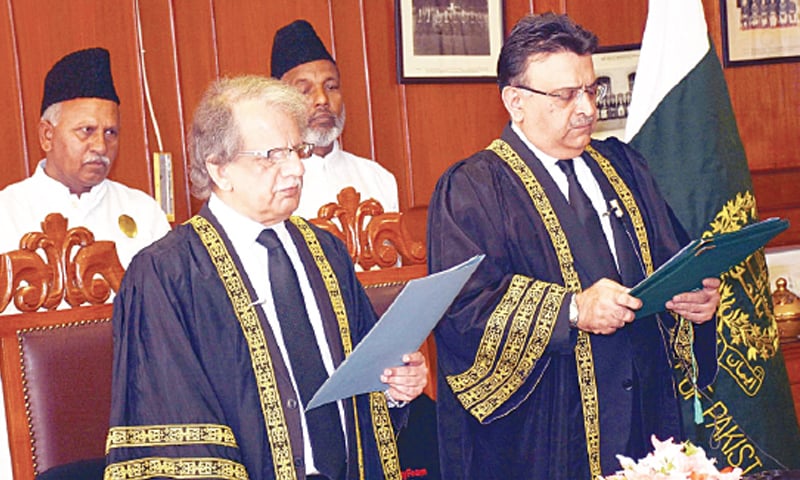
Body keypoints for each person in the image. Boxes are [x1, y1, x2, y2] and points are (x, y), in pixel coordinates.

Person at [427, 13, 721, 479]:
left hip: (644, 423)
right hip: (543, 438)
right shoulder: (474, 188)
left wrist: (698, 301)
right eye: (565, 95)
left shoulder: (624, 166)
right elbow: (462, 312)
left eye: (591, 89)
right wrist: (571, 310)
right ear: (514, 101)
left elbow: (673, 264)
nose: (586, 108)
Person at [105, 75, 428, 480]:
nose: (295, 168)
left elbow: (363, 378)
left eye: (297, 150)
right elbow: (174, 429)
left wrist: (396, 386)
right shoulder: (166, 275)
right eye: (272, 155)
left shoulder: (326, 251)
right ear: (219, 169)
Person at [0, 47, 170, 268]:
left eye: (110, 133)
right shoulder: (7, 213)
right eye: (86, 130)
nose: (100, 146)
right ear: (47, 136)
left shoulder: (143, 211)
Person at [271, 19, 399, 219]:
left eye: (331, 87)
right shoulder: (269, 184)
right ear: (279, 103)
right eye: (304, 91)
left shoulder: (378, 178)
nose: (322, 99)